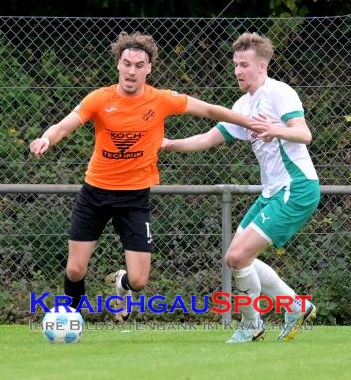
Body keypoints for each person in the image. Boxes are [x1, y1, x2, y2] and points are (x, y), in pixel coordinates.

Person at [29, 32, 258, 323]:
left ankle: (121, 284)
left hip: (134, 198)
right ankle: (69, 320)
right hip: (95, 194)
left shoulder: (161, 100)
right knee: (75, 269)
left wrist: (248, 121)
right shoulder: (100, 98)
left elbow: (210, 110)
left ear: (149, 68)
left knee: (139, 281)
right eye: (127, 64)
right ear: (118, 65)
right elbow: (63, 126)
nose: (132, 71)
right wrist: (46, 139)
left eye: (139, 65)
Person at [161, 32, 320, 343]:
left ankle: (251, 325)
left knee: (238, 258)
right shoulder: (243, 104)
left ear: (262, 66)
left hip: (297, 188)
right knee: (236, 257)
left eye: (244, 65)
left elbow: (304, 134)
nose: (237, 71)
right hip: (273, 192)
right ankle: (295, 306)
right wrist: (169, 144)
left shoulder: (279, 93)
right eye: (235, 64)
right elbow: (208, 139)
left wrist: (275, 130)